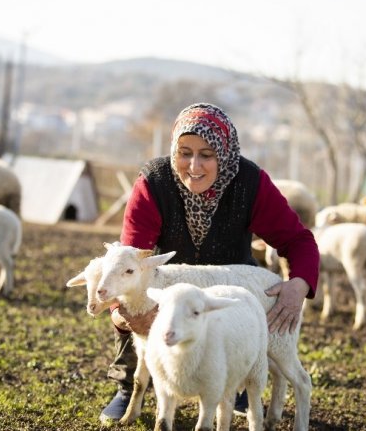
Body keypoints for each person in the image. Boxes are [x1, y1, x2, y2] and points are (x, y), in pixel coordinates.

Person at [99, 102, 320, 423]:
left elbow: (299, 240)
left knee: (234, 318)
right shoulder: (154, 183)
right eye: (184, 152)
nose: (194, 165)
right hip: (168, 281)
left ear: (225, 154)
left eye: (207, 154)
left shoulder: (250, 184)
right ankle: (128, 385)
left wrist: (298, 285)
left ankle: (237, 382)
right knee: (137, 308)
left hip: (230, 278)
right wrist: (122, 311)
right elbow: (130, 259)